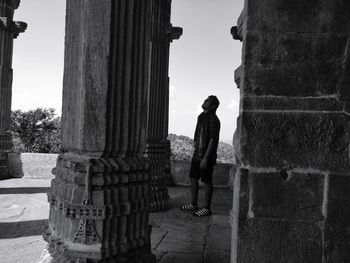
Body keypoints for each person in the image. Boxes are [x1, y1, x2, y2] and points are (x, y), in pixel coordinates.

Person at [181, 95, 220, 216]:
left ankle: (207, 208)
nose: (204, 101)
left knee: (207, 180)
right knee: (193, 178)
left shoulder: (213, 119)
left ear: (213, 106)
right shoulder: (201, 117)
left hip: (205, 156)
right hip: (197, 154)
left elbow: (213, 139)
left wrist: (206, 157)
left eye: (207, 101)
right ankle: (194, 204)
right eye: (205, 100)